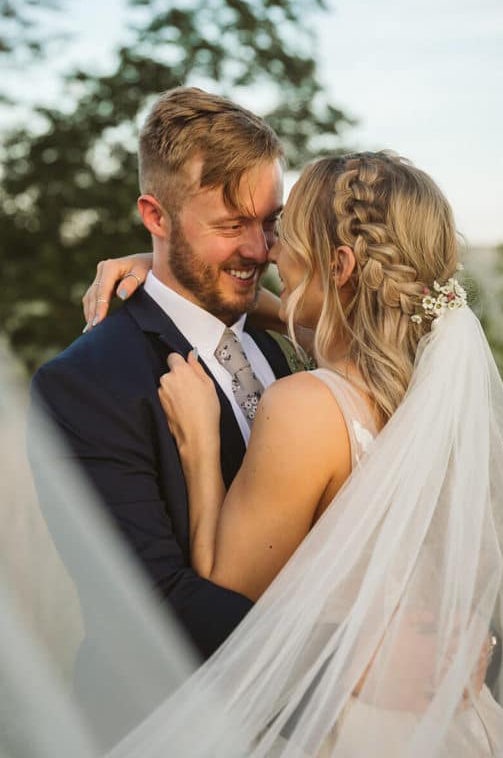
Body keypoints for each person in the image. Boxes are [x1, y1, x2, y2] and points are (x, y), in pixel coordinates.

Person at [84, 151, 503, 757]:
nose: (269, 252)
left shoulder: (306, 406)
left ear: (340, 263)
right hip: (450, 724)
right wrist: (172, 274)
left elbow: (227, 597)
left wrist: (200, 450)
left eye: (284, 235)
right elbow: (320, 319)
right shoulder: (428, 398)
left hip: (350, 729)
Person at [29, 86, 302, 747]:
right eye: (230, 226)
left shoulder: (271, 347)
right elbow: (151, 604)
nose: (260, 250)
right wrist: (353, 664)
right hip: (170, 726)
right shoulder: (87, 382)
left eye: (270, 222)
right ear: (155, 214)